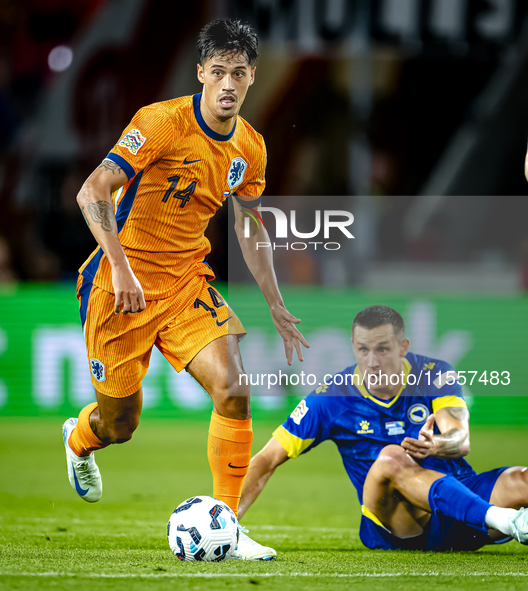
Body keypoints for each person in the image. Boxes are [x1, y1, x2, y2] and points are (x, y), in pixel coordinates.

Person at [61, 19, 309, 561]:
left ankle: (231, 525)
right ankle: (80, 439)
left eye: (238, 74)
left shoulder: (250, 147)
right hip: (117, 289)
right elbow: (93, 190)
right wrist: (120, 266)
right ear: (200, 72)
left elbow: (248, 225)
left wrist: (274, 300)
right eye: (217, 71)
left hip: (184, 284)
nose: (227, 83)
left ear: (250, 80)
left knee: (234, 390)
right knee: (119, 425)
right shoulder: (161, 123)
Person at [239, 305, 528, 551]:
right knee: (392, 457)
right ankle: (506, 521)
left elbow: (460, 437)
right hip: (400, 521)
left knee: (522, 479)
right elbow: (267, 459)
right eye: (363, 350)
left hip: (461, 499)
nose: (372, 361)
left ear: (403, 347)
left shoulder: (434, 374)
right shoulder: (329, 399)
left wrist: (440, 445)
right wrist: (228, 518)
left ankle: (488, 516)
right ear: (353, 347)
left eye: (382, 349)